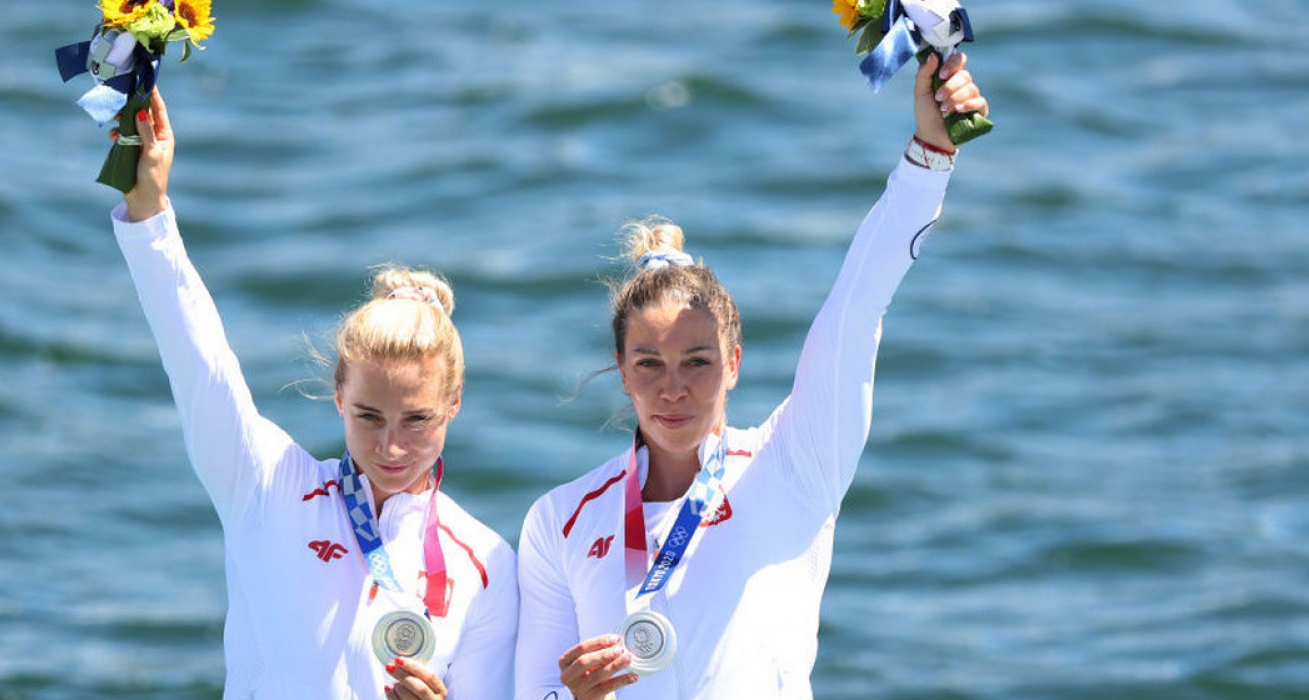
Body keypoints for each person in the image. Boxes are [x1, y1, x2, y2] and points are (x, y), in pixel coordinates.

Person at [514, 52, 991, 699]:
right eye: (650, 364)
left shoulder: (794, 461)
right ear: (622, 371)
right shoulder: (560, 521)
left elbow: (858, 303)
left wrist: (929, 154)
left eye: (698, 362)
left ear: (734, 363)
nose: (673, 388)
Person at [106, 89, 517, 700]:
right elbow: (199, 363)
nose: (390, 445)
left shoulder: (487, 562)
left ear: (455, 404)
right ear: (337, 398)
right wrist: (150, 209)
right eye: (369, 415)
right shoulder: (266, 485)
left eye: (417, 419)